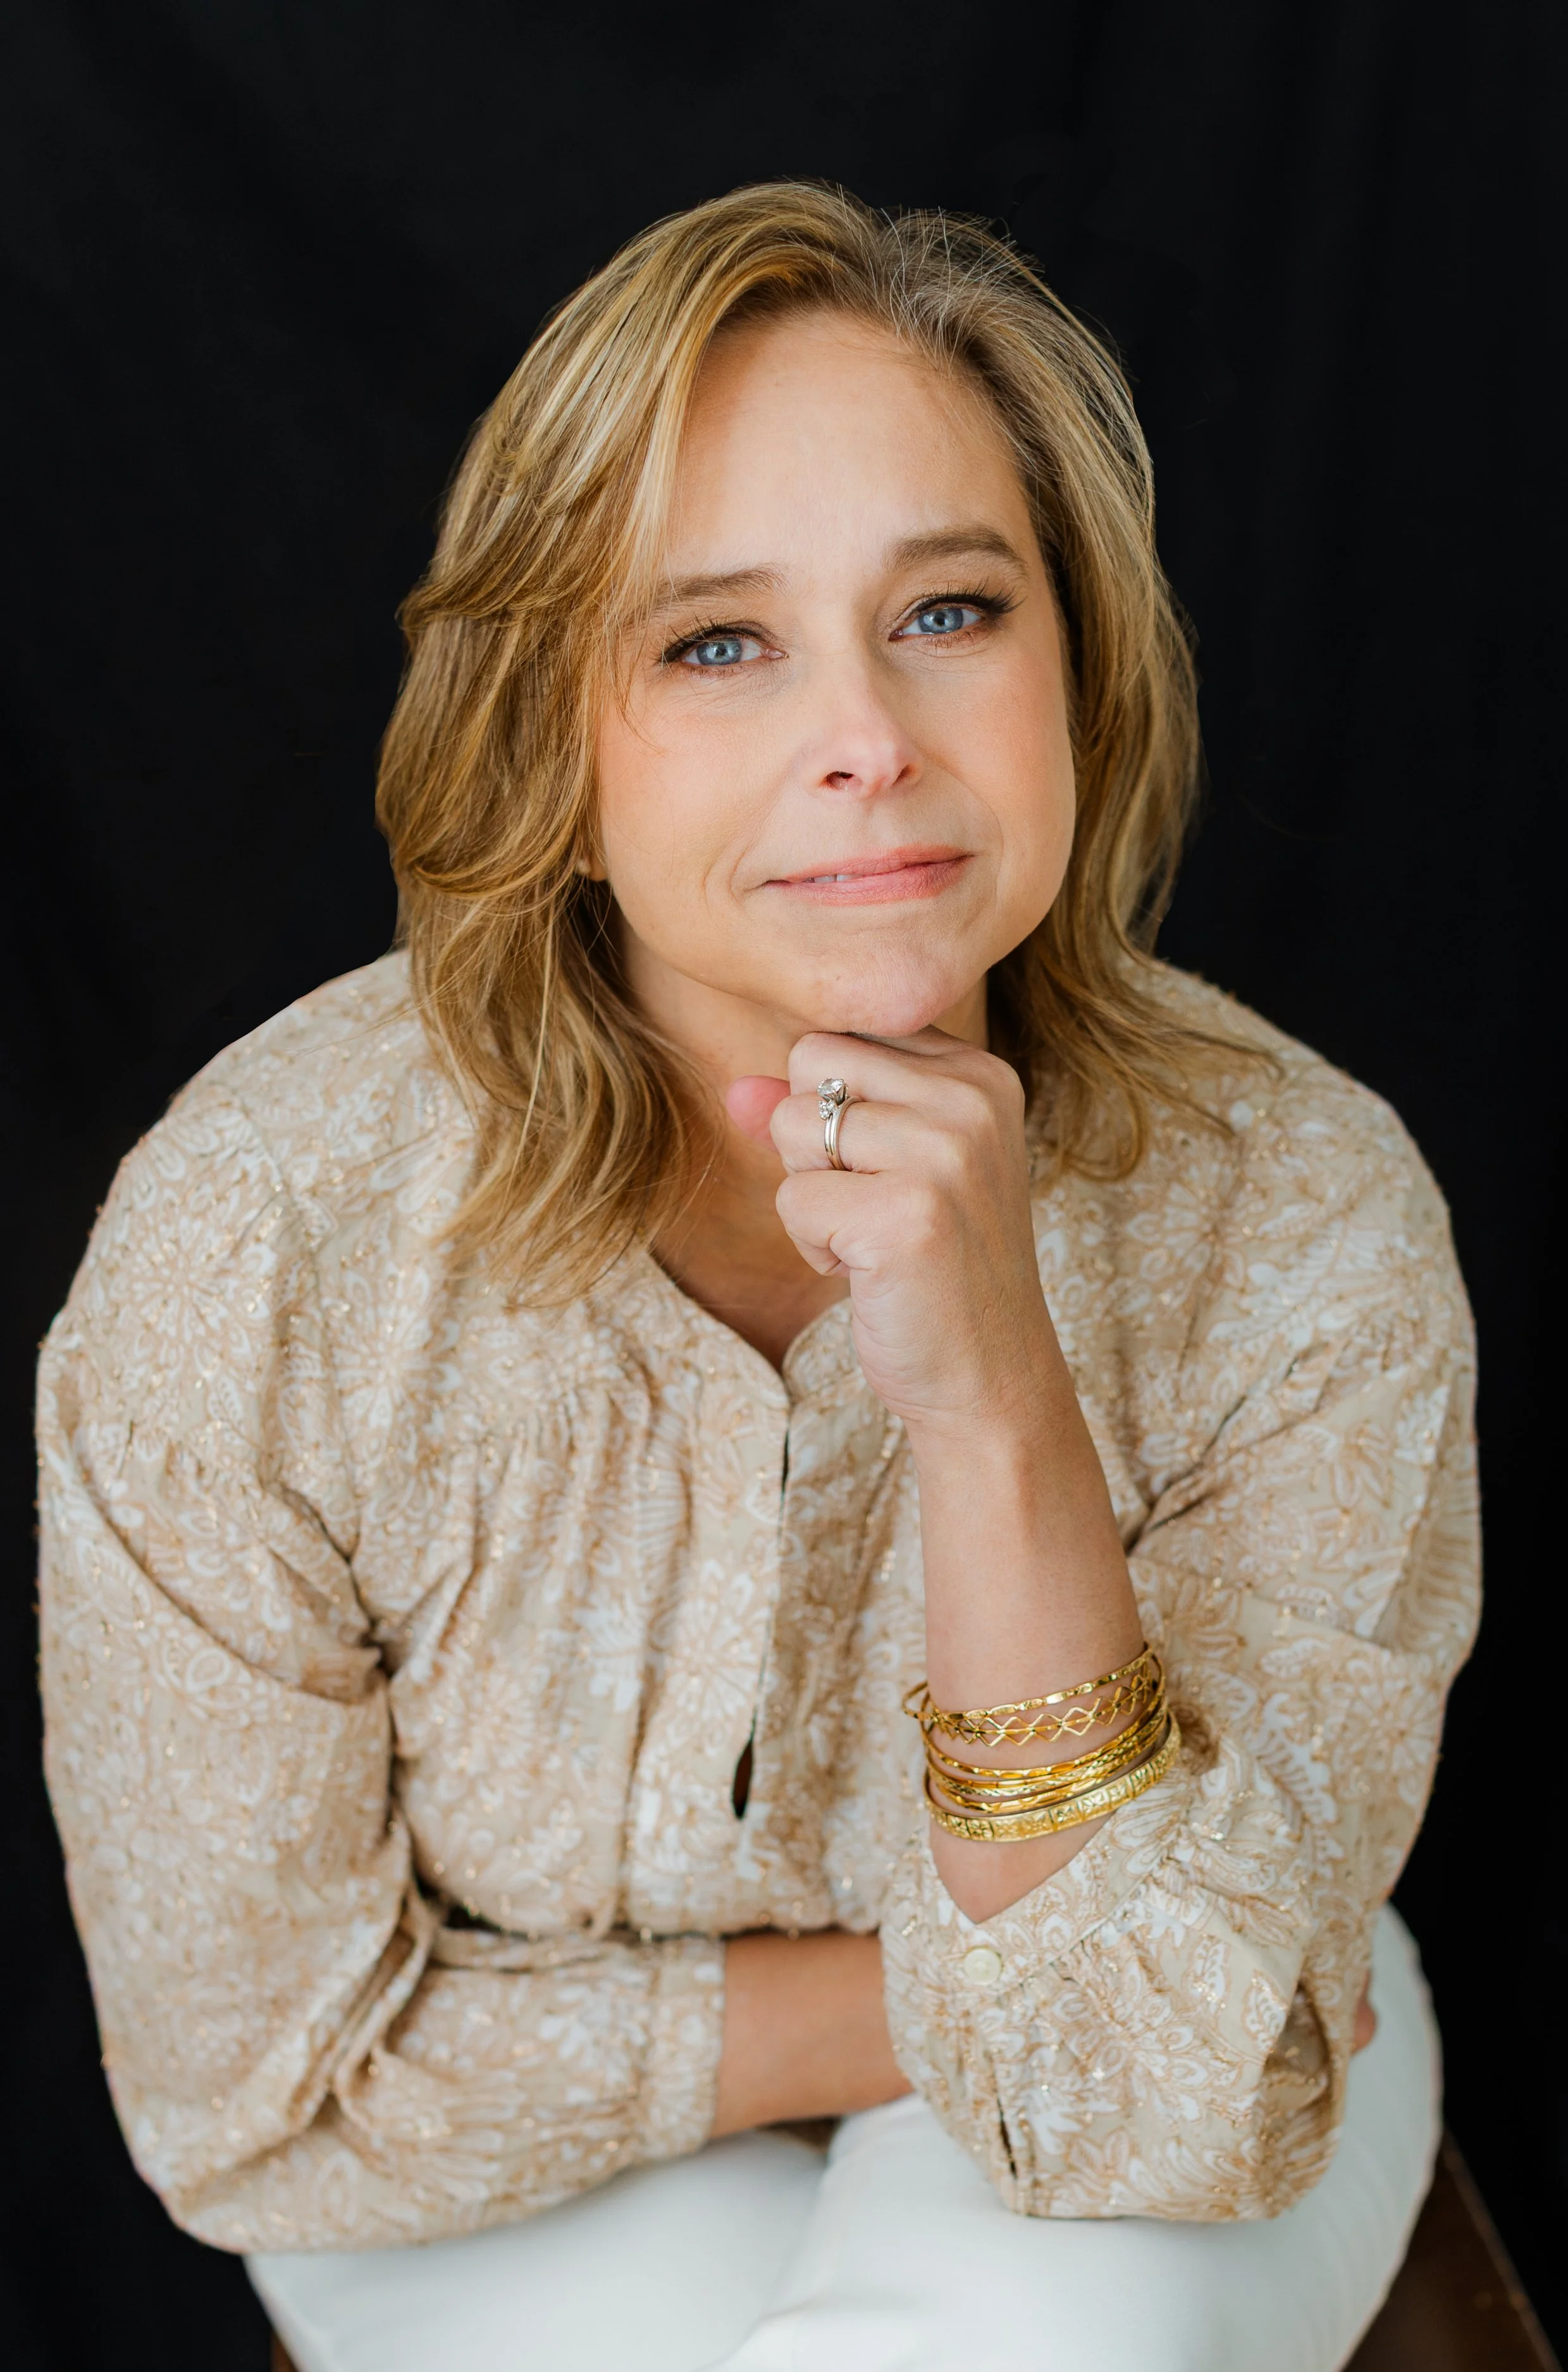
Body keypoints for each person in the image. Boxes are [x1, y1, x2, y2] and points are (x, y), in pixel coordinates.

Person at [37, 183, 1477, 2372]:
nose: (869, 738)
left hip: (1131, 2114)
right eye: (717, 639)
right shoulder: (262, 1246)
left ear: (1071, 657)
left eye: (953, 609)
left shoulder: (1297, 1214)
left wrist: (998, 1395)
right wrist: (948, 2000)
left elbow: (1170, 2104)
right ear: (549, 737)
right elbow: (264, 2101)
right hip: (467, 2156)